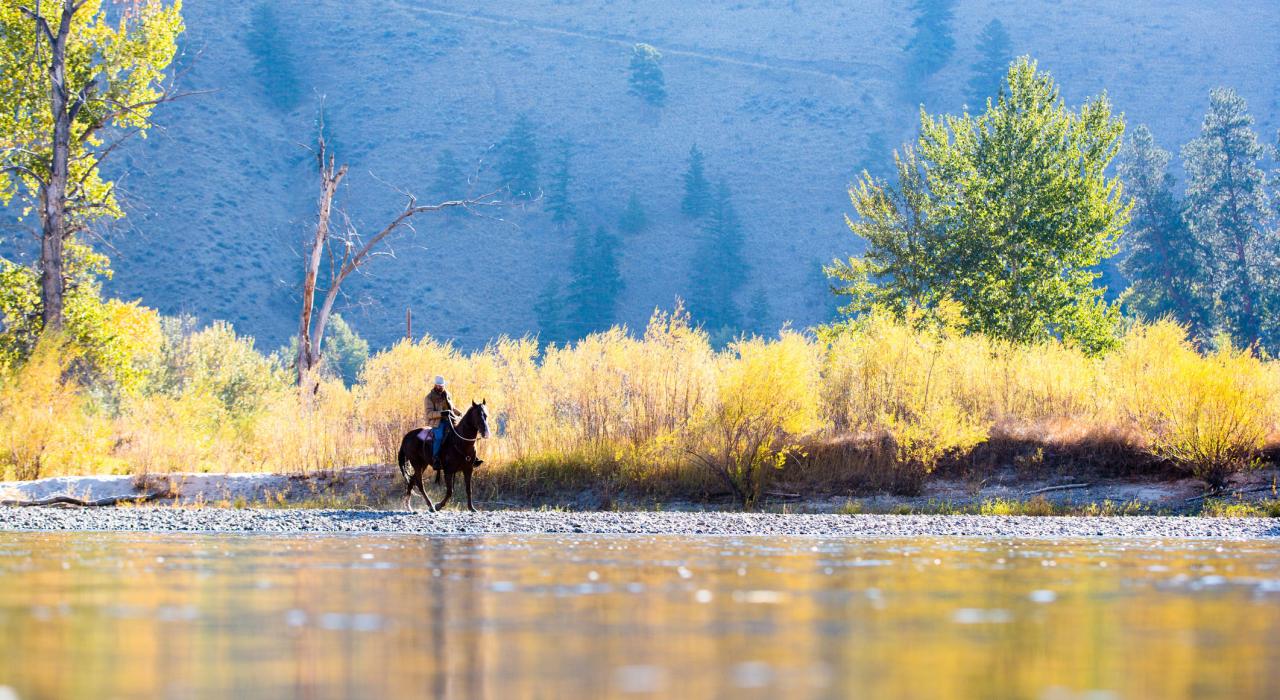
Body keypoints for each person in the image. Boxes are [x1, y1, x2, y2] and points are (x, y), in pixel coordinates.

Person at [423, 376, 459, 469]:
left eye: (442, 385)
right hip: (437, 422)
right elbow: (429, 414)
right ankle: (435, 458)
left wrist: (459, 413)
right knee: (438, 438)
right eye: (438, 385)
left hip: (450, 419)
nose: (440, 387)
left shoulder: (447, 394)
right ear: (435, 385)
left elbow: (452, 408)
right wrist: (442, 413)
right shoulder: (429, 397)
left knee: (460, 434)